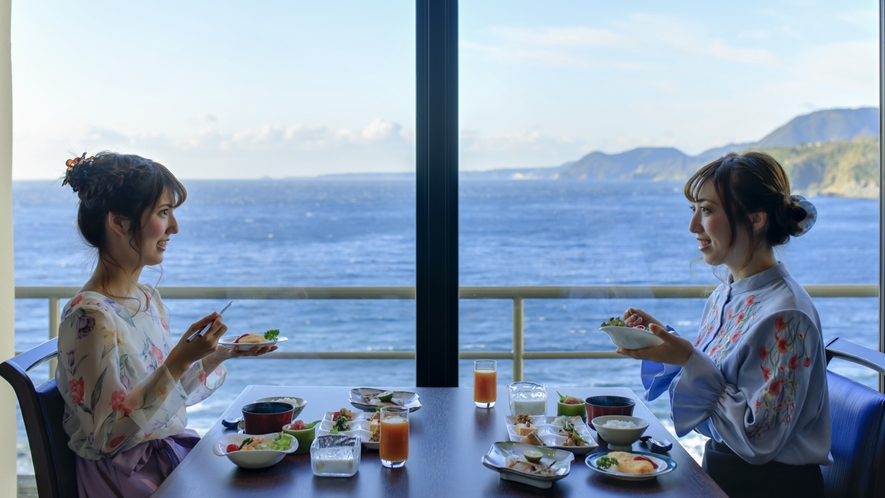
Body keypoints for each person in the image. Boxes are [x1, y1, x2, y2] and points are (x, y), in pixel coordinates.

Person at [55, 152, 276, 497]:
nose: (174, 227)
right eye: (163, 213)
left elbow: (166, 395)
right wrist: (179, 360)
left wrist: (219, 353)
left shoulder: (146, 299)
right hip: (124, 477)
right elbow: (108, 436)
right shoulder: (90, 316)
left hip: (161, 462)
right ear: (119, 223)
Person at [616, 152, 830, 498]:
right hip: (721, 475)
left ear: (756, 218)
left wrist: (688, 359)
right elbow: (721, 381)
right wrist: (666, 345)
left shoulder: (788, 316)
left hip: (770, 487)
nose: (693, 226)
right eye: (694, 210)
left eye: (707, 210)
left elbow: (759, 439)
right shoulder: (724, 295)